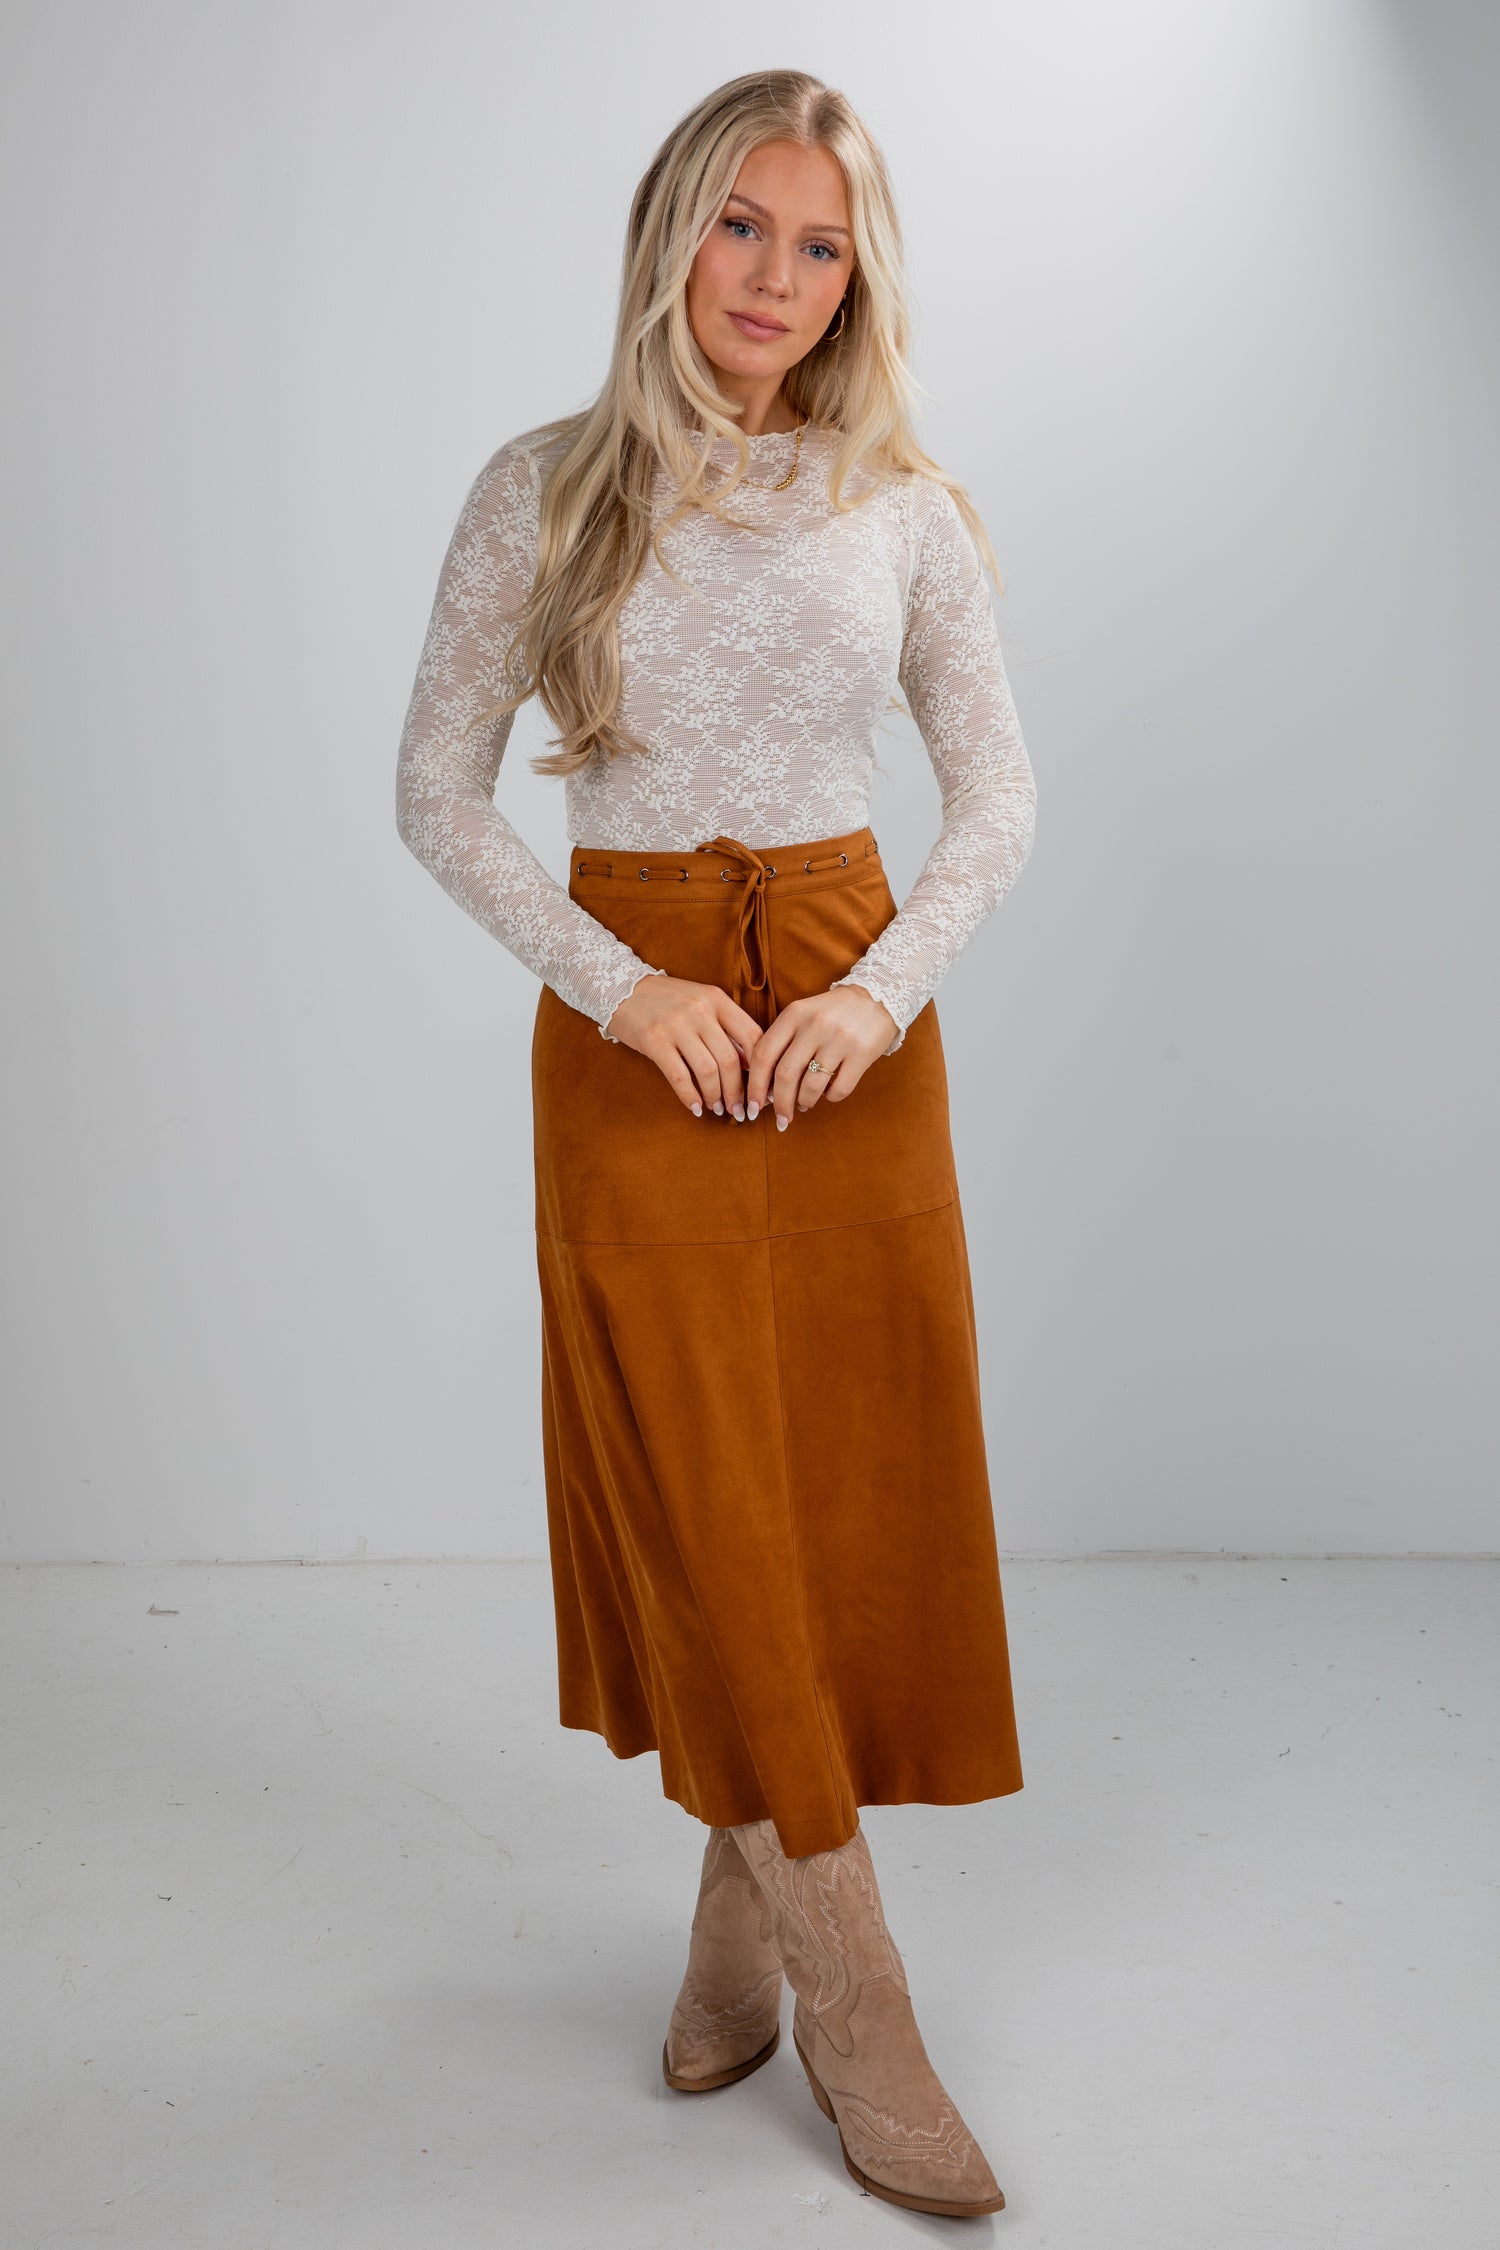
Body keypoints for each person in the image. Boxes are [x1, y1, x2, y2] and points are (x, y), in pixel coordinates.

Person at [395, 67, 1037, 2221]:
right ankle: (862, 2009)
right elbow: (438, 795)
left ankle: (733, 1925)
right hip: (637, 1010)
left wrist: (872, 994)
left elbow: (1003, 797)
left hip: (854, 1011)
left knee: (833, 1492)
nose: (775, 277)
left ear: (859, 275)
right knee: (700, 1488)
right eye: (741, 226)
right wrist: (625, 984)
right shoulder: (542, 486)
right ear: (673, 231)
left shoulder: (903, 501)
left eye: (821, 242)